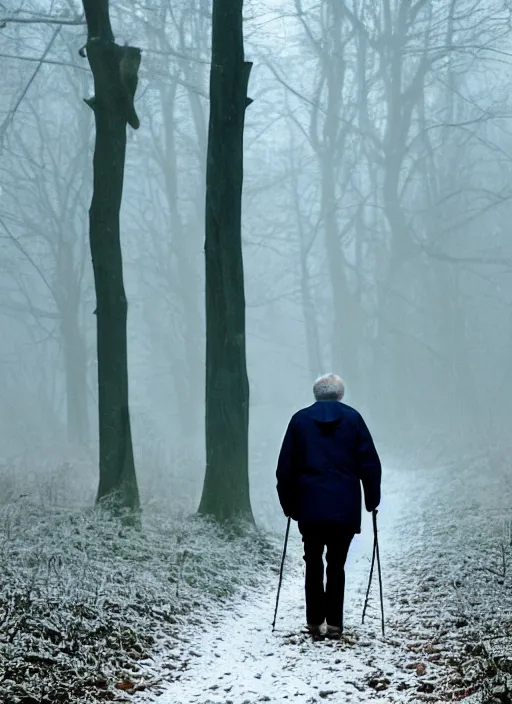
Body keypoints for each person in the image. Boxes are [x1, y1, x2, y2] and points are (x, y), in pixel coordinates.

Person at [276, 373, 381, 639]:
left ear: (316, 394)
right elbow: (370, 464)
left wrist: (288, 504)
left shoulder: (299, 420)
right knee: (336, 564)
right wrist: (372, 500)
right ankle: (334, 623)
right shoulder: (353, 419)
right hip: (343, 506)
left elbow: (285, 468)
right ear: (339, 394)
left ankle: (314, 622)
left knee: (312, 562)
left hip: (309, 506)